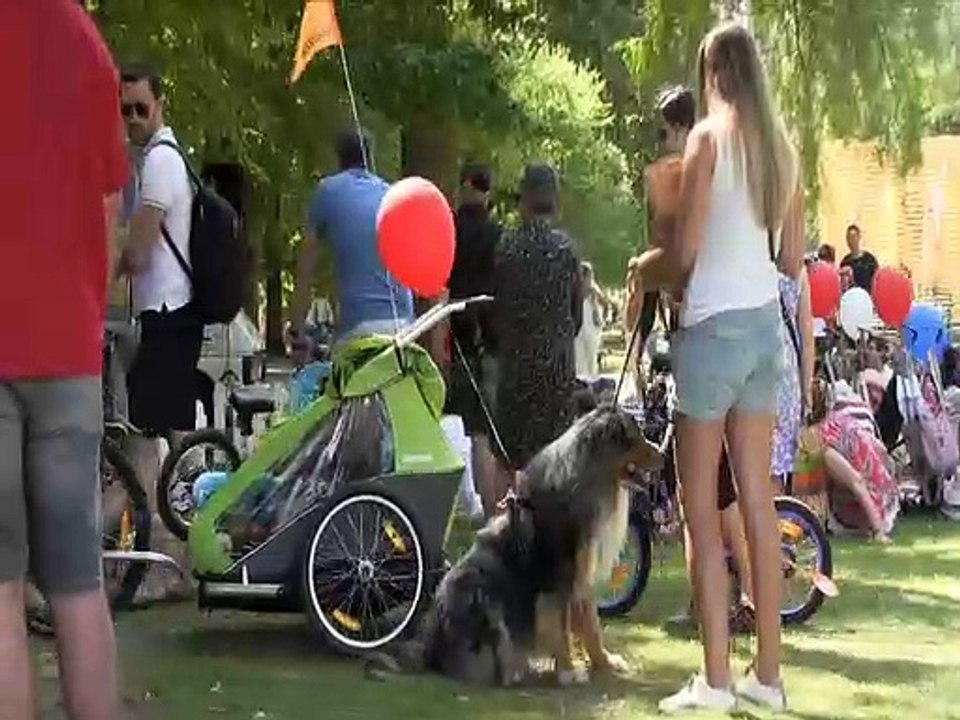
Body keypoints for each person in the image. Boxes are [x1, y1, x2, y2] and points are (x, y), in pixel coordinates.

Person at [658, 23, 804, 713]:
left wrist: (647, 260)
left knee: (699, 512)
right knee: (756, 501)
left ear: (712, 71)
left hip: (712, 328)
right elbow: (792, 263)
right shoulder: (782, 148)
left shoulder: (706, 139)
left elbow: (684, 256)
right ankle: (766, 677)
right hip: (761, 333)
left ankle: (716, 680)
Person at [0, 1, 128, 717]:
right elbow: (110, 203)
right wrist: (81, 311)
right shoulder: (83, 40)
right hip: (68, 353)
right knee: (80, 585)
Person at [118, 64, 202, 598]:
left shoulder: (159, 166)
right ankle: (182, 563)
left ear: (160, 106)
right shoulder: (163, 161)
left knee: (153, 448)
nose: (131, 120)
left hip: (168, 316)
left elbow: (138, 251)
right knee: (171, 443)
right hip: (171, 315)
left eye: (140, 108)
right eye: (124, 109)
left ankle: (158, 566)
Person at [491, 164, 582, 499]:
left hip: (516, 364)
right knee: (557, 458)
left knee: (506, 457)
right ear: (555, 200)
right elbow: (577, 316)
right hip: (556, 368)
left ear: (524, 199)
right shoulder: (566, 250)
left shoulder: (507, 247)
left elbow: (496, 308)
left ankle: (501, 528)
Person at [292, 129, 414, 342]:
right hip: (403, 321)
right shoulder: (390, 193)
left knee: (341, 370)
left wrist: (297, 327)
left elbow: (306, 265)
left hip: (358, 323)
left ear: (338, 157)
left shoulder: (327, 190)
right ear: (370, 157)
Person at [447, 163, 502, 517]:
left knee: (458, 425)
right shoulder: (499, 235)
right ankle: (488, 506)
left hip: (454, 333)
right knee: (484, 431)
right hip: (491, 338)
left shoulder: (449, 230)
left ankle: (467, 503)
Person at [575, 261, 608, 377]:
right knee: (579, 358)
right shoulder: (576, 290)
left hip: (591, 328)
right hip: (580, 328)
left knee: (591, 357)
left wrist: (600, 316)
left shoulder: (594, 291)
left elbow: (603, 306)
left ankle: (591, 380)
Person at [840, 223, 879, 292]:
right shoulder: (845, 262)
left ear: (859, 237)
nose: (851, 241)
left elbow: (877, 281)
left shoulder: (869, 260)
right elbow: (843, 286)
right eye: (848, 238)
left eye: (853, 237)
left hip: (867, 299)